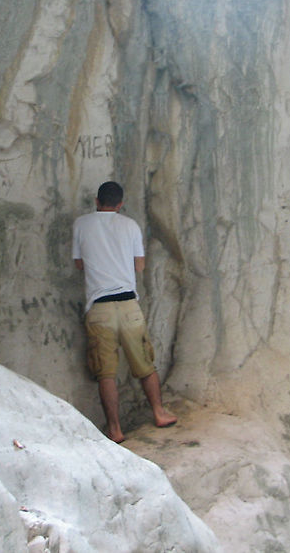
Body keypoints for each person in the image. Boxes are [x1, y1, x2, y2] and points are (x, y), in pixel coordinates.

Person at [72, 181, 177, 443]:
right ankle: (159, 412)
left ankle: (115, 429)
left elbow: (79, 264)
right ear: (120, 204)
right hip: (129, 305)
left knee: (106, 372)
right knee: (144, 364)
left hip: (100, 309)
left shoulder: (81, 224)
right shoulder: (130, 225)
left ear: (97, 201)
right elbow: (139, 266)